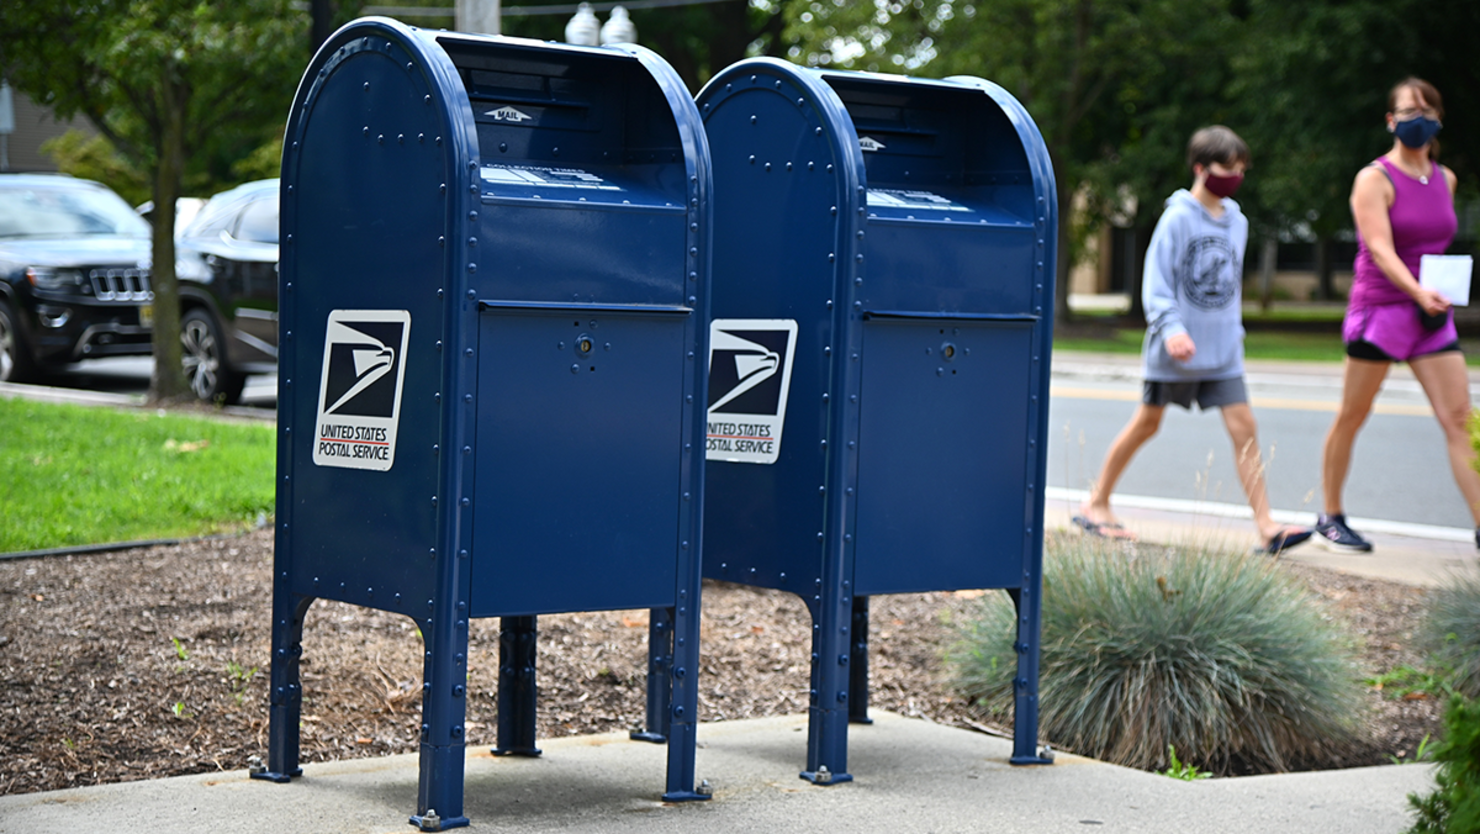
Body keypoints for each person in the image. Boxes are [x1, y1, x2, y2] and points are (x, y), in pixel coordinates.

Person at [1075, 125, 1313, 554]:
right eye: (1228, 168)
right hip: (1176, 349)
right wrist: (1172, 329)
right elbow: (1157, 282)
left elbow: (1230, 285)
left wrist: (1234, 334)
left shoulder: (1237, 220)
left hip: (1222, 351)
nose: (1236, 176)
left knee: (1245, 429)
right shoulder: (1177, 218)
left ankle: (1267, 527)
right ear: (1201, 168)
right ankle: (1095, 503)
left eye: (1242, 169)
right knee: (1147, 424)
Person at [1316, 77, 1480, 553]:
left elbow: (1436, 243)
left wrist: (1437, 292)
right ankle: (1331, 516)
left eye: (1427, 111)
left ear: (1439, 119)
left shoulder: (1445, 178)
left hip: (1431, 316)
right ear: (1390, 120)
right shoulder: (1374, 178)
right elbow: (1381, 249)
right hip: (1382, 310)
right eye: (1408, 112)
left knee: (1460, 418)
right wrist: (1416, 290)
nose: (1418, 120)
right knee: (1354, 414)